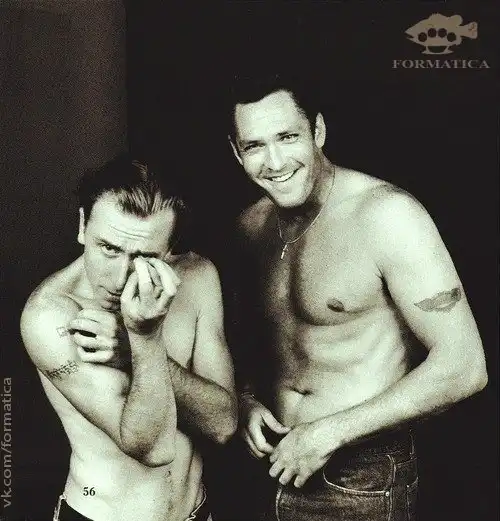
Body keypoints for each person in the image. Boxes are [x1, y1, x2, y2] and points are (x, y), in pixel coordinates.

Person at [227, 74, 488, 521]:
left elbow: (465, 367)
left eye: (287, 137)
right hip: (272, 465)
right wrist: (247, 399)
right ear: (236, 152)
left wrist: (327, 434)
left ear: (318, 131)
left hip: (359, 477)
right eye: (254, 146)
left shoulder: (387, 216)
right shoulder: (250, 227)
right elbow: (253, 340)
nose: (274, 162)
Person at [21, 155, 237, 521]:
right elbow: (153, 449)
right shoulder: (51, 316)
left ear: (169, 248)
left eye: (145, 256)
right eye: (108, 248)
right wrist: (145, 337)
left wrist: (132, 348)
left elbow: (223, 425)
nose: (120, 277)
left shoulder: (197, 277)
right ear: (82, 225)